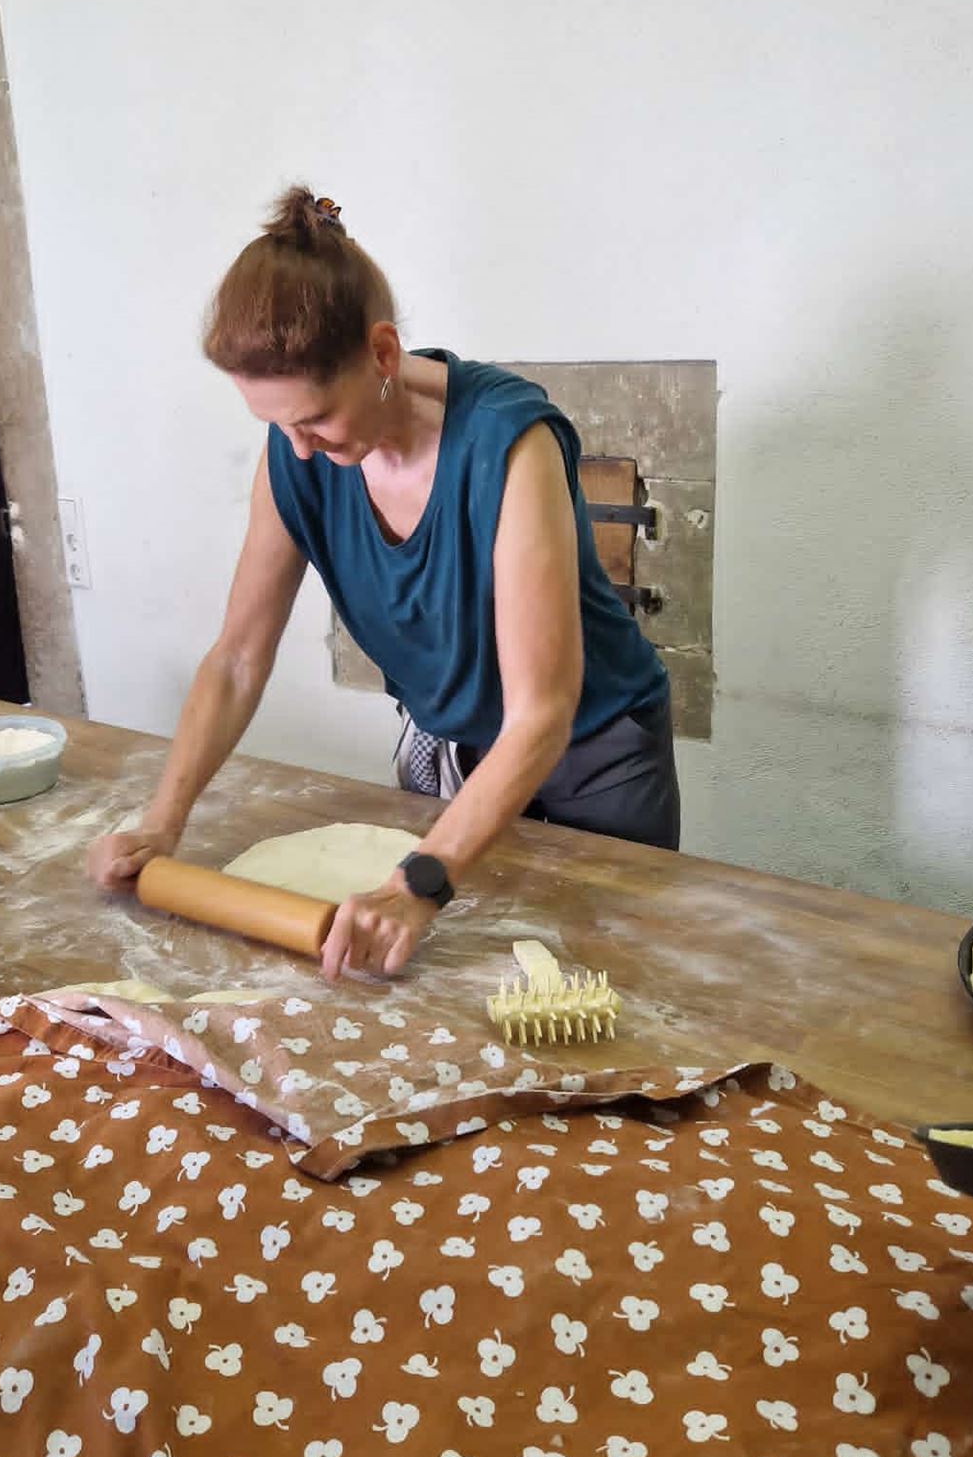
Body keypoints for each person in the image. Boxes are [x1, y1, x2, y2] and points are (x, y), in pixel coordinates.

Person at [86, 188, 679, 979]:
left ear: (383, 354)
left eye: (315, 418)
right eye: (278, 425)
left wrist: (420, 882)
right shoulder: (298, 454)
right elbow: (236, 659)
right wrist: (163, 822)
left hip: (596, 754)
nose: (299, 447)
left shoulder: (509, 444)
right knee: (463, 984)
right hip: (463, 750)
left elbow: (542, 711)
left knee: (605, 980)